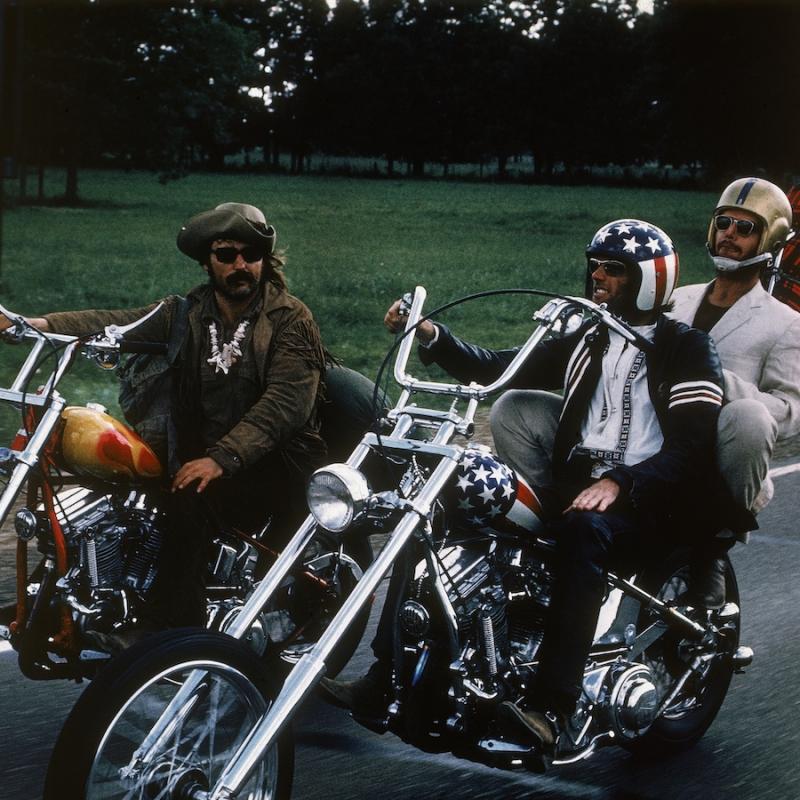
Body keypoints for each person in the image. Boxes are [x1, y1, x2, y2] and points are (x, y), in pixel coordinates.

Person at [322, 219, 750, 754]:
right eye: (595, 264)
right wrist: (431, 336)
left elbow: (690, 449)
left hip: (653, 498)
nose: (598, 276)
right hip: (581, 486)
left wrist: (621, 482)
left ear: (649, 279)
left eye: (613, 269)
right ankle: (388, 671)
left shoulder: (688, 348)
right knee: (440, 509)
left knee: (583, 531)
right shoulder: (590, 337)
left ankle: (552, 706)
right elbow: (499, 369)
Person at [0, 202, 374, 651]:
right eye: (227, 254)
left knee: (190, 504)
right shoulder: (188, 313)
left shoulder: (290, 319)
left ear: (265, 259)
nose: (241, 265)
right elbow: (115, 323)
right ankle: (79, 599)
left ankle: (168, 633)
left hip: (281, 461)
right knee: (125, 499)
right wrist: (34, 326)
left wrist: (221, 458)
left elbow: (286, 403)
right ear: (206, 261)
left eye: (251, 254)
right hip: (208, 454)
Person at [669, 177, 800, 604]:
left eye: (746, 228)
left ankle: (713, 547)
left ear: (770, 239)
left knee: (751, 415)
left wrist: (719, 379)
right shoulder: (675, 300)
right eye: (724, 222)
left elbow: (789, 412)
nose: (730, 233)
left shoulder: (785, 322)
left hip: (719, 455)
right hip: (653, 439)